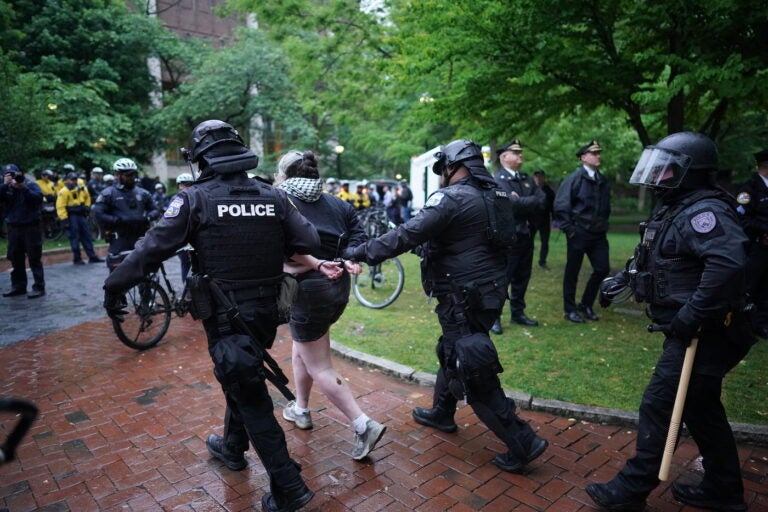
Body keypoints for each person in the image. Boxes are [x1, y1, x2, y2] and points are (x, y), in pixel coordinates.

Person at [103, 120, 329, 512]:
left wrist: (113, 287)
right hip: (266, 312)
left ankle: (289, 487)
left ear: (201, 159)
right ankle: (231, 446)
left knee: (249, 391)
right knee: (242, 373)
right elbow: (309, 240)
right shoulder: (272, 196)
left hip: (225, 314)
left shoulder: (195, 199)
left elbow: (150, 249)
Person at [343, 139, 548, 473]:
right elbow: (469, 242)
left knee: (472, 366)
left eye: (444, 169)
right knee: (452, 349)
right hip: (489, 293)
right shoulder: (496, 195)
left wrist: (359, 252)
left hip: (463, 296)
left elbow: (408, 234)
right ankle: (442, 412)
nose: (442, 176)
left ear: (456, 166)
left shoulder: (451, 198)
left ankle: (523, 441)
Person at [587, 132, 756, 512]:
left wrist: (691, 314)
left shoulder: (703, 212)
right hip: (699, 329)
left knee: (660, 405)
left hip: (708, 332)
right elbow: (666, 260)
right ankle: (724, 490)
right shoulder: (677, 207)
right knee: (701, 408)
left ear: (690, 173)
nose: (658, 175)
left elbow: (728, 263)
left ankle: (630, 491)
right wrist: (625, 279)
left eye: (667, 169)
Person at [274, 150, 387, 460]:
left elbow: (285, 247)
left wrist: (305, 264)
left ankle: (363, 424)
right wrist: (349, 257)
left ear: (284, 175)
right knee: (303, 346)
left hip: (308, 291)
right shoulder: (337, 203)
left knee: (320, 364)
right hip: (336, 289)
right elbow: (357, 235)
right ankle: (301, 408)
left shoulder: (281, 202)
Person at [554, 140, 611, 323]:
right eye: (594, 153)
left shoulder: (602, 180)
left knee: (602, 269)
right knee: (572, 272)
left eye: (598, 153)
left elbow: (605, 206)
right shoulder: (574, 179)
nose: (598, 156)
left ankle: (586, 304)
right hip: (579, 233)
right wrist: (570, 230)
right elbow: (561, 206)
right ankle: (569, 309)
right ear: (583, 157)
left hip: (598, 234)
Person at [491, 140, 545, 333]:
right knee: (503, 279)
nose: (520, 155)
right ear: (504, 156)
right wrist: (522, 202)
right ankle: (494, 317)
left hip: (526, 236)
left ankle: (518, 313)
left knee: (523, 277)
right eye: (516, 152)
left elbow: (542, 201)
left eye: (520, 152)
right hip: (508, 239)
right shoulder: (498, 180)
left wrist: (519, 200)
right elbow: (508, 205)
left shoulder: (526, 178)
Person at [93, 158, 161, 267]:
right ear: (117, 175)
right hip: (119, 238)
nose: (131, 177)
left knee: (149, 269)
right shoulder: (108, 193)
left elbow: (156, 209)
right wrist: (116, 220)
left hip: (141, 237)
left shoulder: (143, 193)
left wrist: (148, 217)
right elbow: (98, 214)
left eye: (133, 174)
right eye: (127, 175)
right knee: (117, 276)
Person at [735, 149, 768, 339]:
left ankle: (761, 324)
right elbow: (741, 219)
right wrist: (764, 229)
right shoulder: (749, 189)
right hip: (755, 248)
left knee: (765, 288)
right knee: (749, 287)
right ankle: (743, 323)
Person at [1, 164, 45, 298]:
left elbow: (38, 199)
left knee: (34, 257)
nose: (13, 178)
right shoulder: (5, 188)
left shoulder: (30, 185)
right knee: (15, 257)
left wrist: (24, 189)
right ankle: (18, 286)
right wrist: (5, 185)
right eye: (9, 175)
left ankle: (39, 287)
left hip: (30, 227)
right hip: (14, 227)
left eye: (14, 174)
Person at [56, 172, 103, 264]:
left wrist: (87, 206)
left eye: (75, 179)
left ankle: (92, 257)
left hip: (81, 214)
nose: (74, 181)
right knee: (75, 237)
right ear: (67, 180)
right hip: (71, 216)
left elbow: (87, 197)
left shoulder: (81, 189)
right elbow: (60, 207)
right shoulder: (64, 191)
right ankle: (77, 258)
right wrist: (64, 220)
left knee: (87, 236)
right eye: (72, 179)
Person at [529, 169, 555, 270]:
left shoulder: (549, 191)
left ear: (544, 177)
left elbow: (553, 206)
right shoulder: (530, 189)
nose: (538, 178)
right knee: (529, 241)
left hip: (544, 220)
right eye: (536, 176)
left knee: (545, 241)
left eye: (540, 176)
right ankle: (528, 260)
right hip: (531, 219)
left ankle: (542, 261)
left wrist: (555, 218)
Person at [174, 172, 195, 283]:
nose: (186, 187)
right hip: (182, 238)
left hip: (195, 236)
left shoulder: (197, 197)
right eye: (183, 184)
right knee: (185, 262)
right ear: (179, 185)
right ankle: (187, 293)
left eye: (189, 184)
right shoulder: (175, 200)